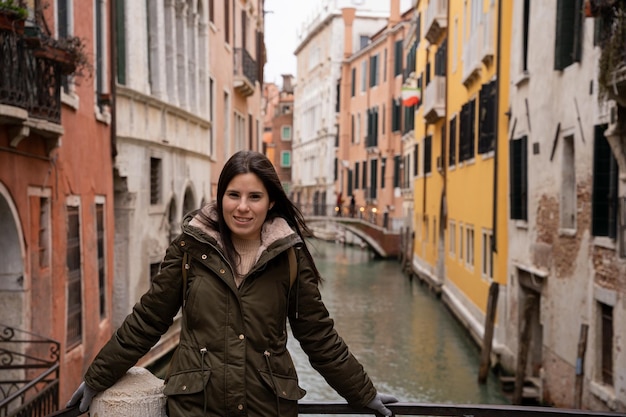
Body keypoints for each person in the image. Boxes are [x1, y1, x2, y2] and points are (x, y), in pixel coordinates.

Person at [67, 150, 397, 417]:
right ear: (220, 197)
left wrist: (362, 393)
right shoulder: (189, 249)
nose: (242, 206)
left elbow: (318, 335)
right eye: (233, 195)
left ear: (270, 202)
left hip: (267, 408)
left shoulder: (290, 257)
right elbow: (148, 319)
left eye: (254, 196)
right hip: (196, 408)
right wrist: (98, 378)